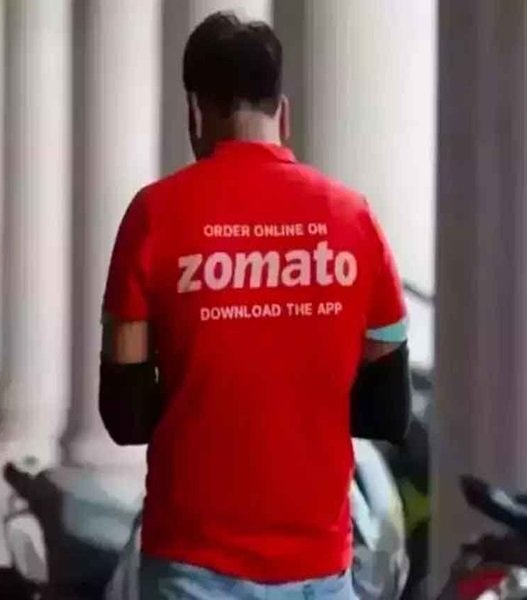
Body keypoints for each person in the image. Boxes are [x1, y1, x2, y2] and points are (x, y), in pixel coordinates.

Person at [99, 12, 413, 599]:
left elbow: (125, 416)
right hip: (319, 570)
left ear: (195, 112)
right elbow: (388, 411)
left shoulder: (153, 216)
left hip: (193, 566)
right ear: (282, 113)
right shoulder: (353, 218)